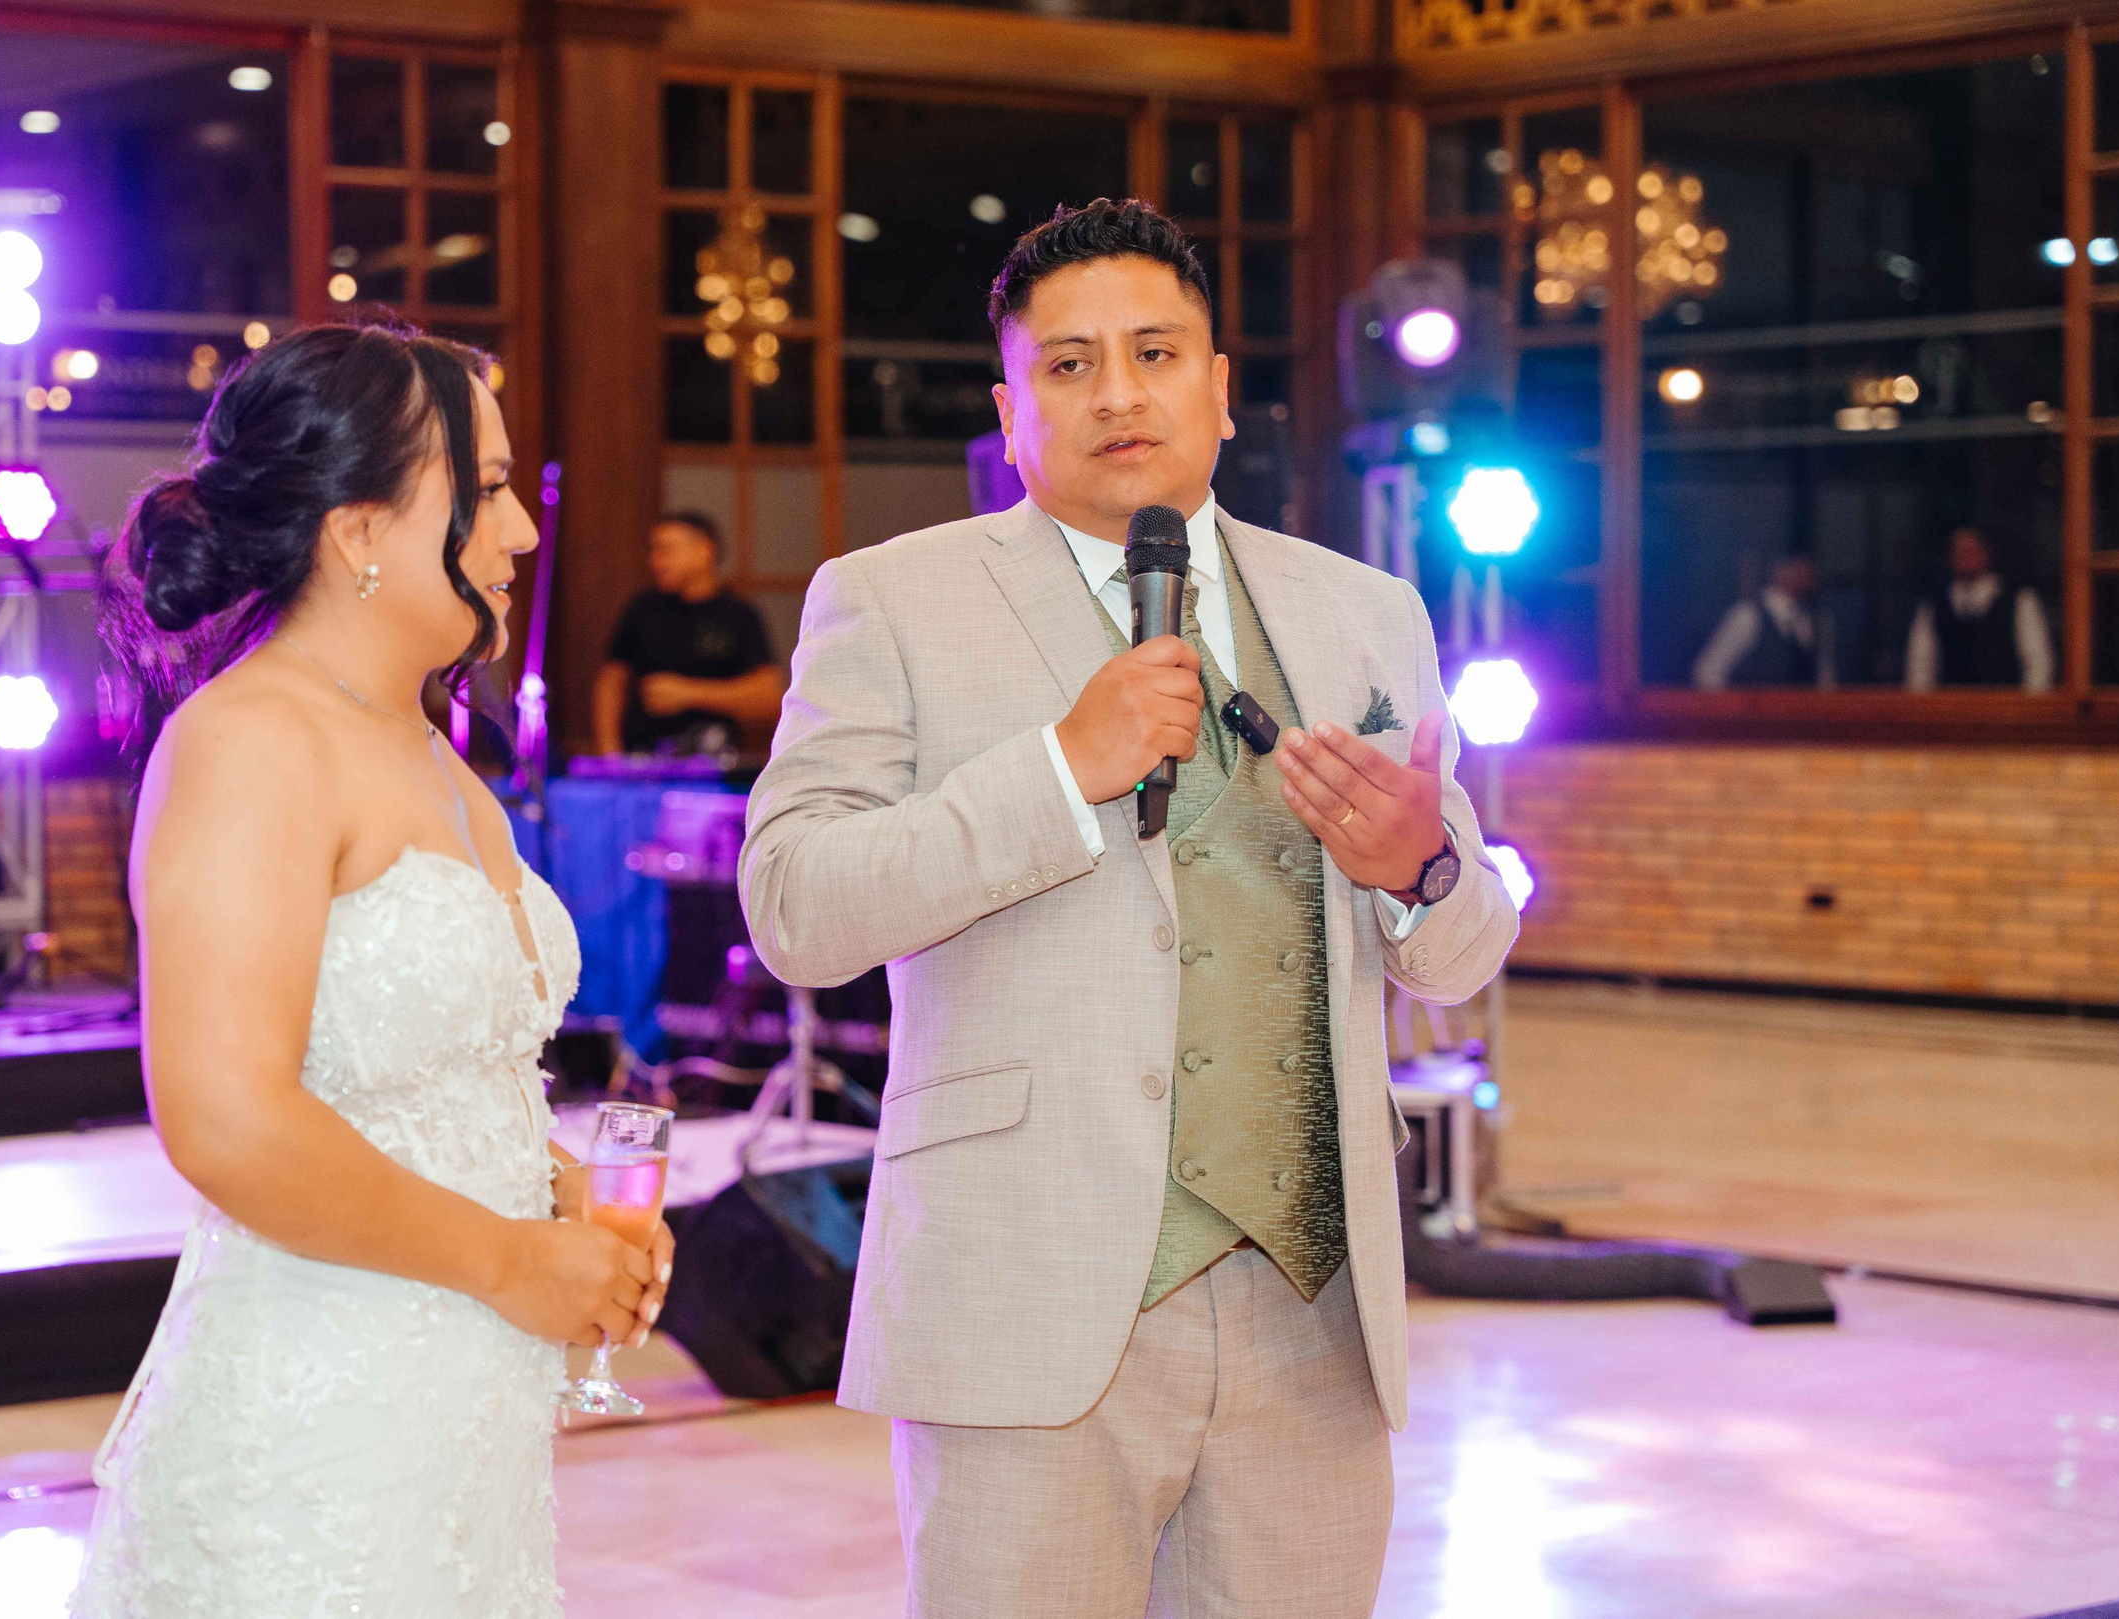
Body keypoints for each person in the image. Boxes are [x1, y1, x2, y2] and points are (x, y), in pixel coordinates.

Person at [738, 199, 1519, 1617]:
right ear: (1011, 406)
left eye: (1155, 351)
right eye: (1070, 364)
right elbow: (795, 904)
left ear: (1221, 386)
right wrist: (1057, 769)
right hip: (1028, 1292)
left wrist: (1424, 864)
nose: (1117, 393)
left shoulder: (1364, 612)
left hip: (1313, 1310)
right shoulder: (891, 600)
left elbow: (1460, 953)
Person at [72, 325, 671, 1617]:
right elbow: (227, 1114)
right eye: (490, 486)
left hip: (458, 1428)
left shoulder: (434, 751)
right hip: (316, 1431)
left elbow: (439, 1078)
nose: (520, 531)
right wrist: (510, 1258)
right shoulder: (252, 739)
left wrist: (564, 1198)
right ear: (360, 529)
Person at [591, 510, 785, 754]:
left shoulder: (739, 615)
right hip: (642, 760)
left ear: (704, 551)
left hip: (713, 762)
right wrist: (611, 755)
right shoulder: (642, 608)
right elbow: (611, 683)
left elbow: (768, 697)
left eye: (666, 551)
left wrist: (689, 693)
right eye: (654, 551)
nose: (655, 562)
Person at [1906, 525, 2053, 692]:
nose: (1965, 557)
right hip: (1950, 708)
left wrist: (2028, 710)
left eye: (1971, 550)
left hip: (2005, 708)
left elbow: (2037, 661)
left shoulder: (2020, 600)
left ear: (1986, 552)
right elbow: (1920, 663)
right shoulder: (1934, 604)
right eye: (1958, 552)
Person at [1692, 552, 1835, 689]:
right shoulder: (1748, 614)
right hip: (1753, 711)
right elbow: (1708, 673)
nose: (1807, 574)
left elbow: (1825, 678)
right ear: (1779, 569)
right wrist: (1736, 708)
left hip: (1803, 712)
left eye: (1810, 569)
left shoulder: (1817, 620)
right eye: (1800, 567)